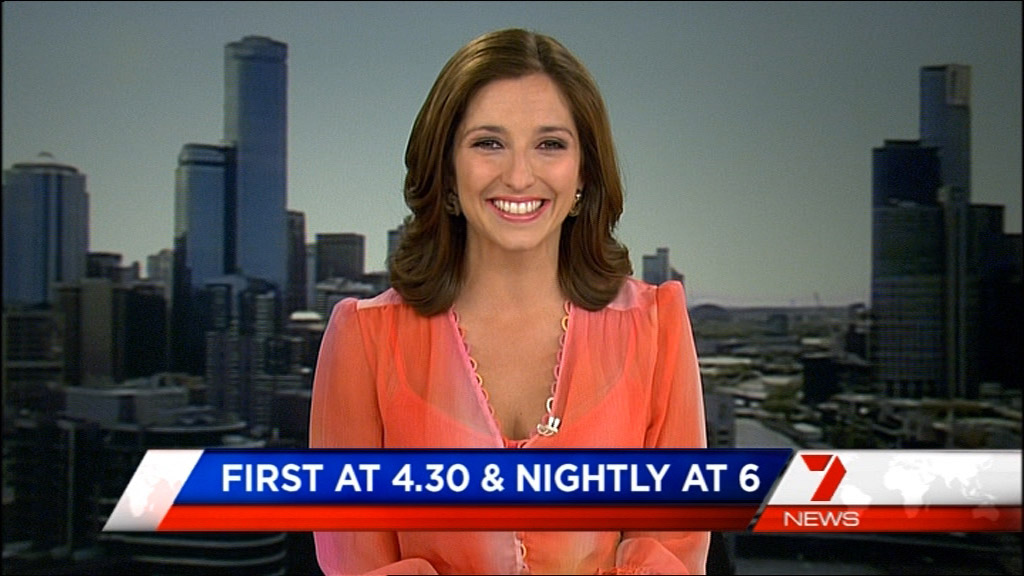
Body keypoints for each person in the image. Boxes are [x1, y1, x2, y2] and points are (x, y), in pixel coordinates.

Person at [309, 27, 709, 575]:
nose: (520, 176)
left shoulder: (656, 326)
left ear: (584, 173)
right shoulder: (363, 338)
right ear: (446, 170)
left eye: (550, 144)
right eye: (488, 143)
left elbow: (675, 551)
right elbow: (354, 564)